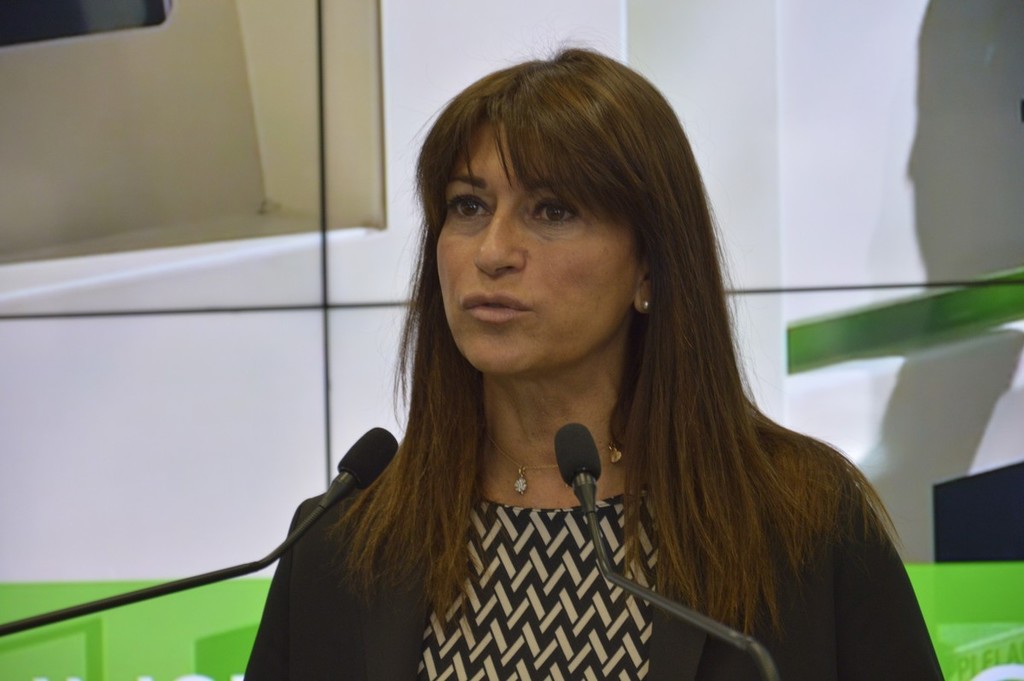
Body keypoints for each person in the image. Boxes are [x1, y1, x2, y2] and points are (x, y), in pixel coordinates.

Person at [244, 48, 944, 680]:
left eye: (551, 211)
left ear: (649, 265)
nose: (493, 251)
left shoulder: (802, 520)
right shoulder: (337, 546)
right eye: (468, 205)